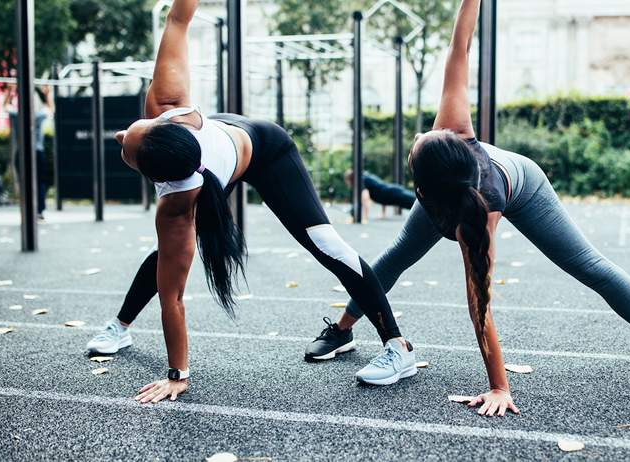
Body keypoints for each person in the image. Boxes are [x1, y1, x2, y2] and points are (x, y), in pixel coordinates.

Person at [304, 0, 630, 417]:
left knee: (589, 265)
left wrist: (499, 386)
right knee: (393, 259)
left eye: (417, 142)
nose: (420, 136)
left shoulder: (475, 219)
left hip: (523, 185)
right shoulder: (450, 128)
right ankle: (341, 331)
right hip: (452, 191)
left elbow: (479, 306)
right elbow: (459, 47)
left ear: (421, 185)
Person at [84, 0, 415, 404]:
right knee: (165, 259)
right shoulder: (171, 160)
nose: (121, 137)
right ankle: (120, 326)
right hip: (216, 162)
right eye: (128, 142)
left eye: (127, 143)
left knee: (327, 243)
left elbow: (179, 16)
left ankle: (398, 347)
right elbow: (174, 296)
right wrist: (178, 373)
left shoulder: (171, 152)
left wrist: (176, 376)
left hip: (265, 148)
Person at [6, 85, 51, 220]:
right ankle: (39, 210)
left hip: (22, 152)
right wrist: (47, 94)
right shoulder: (38, 116)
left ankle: (27, 209)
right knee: (40, 181)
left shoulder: (16, 115)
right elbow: (50, 108)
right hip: (37, 152)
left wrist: (10, 91)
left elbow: (5, 106)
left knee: (24, 182)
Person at [344, 169, 416, 222]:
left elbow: (365, 198)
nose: (347, 183)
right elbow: (382, 197)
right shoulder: (365, 178)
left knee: (417, 203)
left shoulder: (362, 180)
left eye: (347, 181)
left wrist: (365, 217)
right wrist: (383, 214)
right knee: (415, 203)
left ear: (351, 179)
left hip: (394, 193)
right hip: (393, 192)